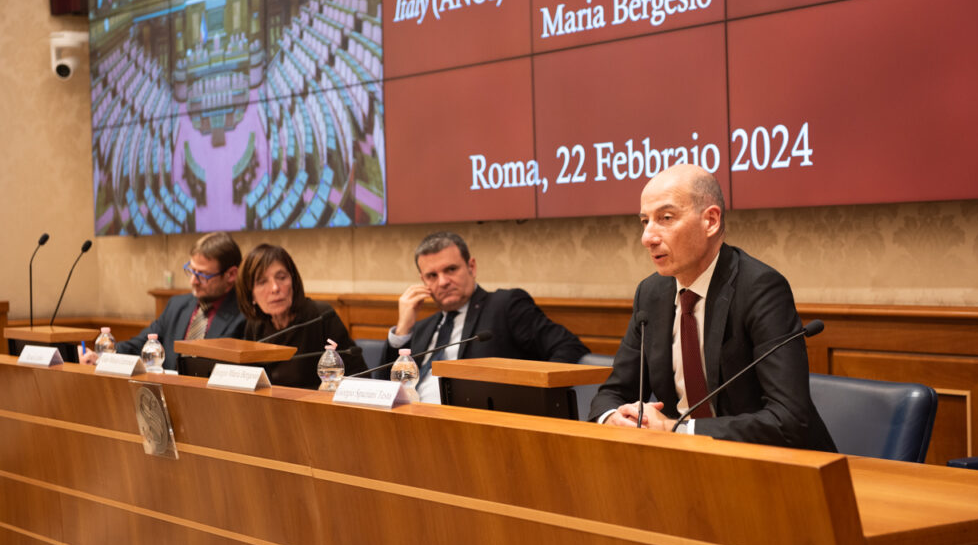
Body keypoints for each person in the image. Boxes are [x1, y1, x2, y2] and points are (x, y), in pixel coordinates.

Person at [590, 164, 836, 452]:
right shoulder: (651, 294)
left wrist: (675, 429)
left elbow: (789, 420)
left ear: (710, 221)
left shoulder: (760, 289)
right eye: (645, 221)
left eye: (665, 218)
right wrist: (614, 419)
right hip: (684, 462)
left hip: (772, 465)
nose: (648, 237)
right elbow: (612, 394)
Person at [384, 231, 589, 403]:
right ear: (423, 281)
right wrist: (403, 330)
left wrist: (532, 396)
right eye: (432, 276)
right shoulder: (422, 328)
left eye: (451, 269)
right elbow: (384, 387)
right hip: (412, 421)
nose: (443, 281)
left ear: (471, 267)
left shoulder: (505, 306)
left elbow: (569, 347)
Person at [91, 231, 246, 371]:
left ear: (231, 275)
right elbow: (141, 345)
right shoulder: (176, 306)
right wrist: (103, 355)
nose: (193, 281)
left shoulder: (244, 316)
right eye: (191, 271)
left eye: (203, 275)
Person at [236, 243, 367, 386]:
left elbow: (360, 376)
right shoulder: (255, 326)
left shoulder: (320, 317)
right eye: (262, 282)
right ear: (251, 294)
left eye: (281, 277)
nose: (274, 288)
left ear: (293, 281)